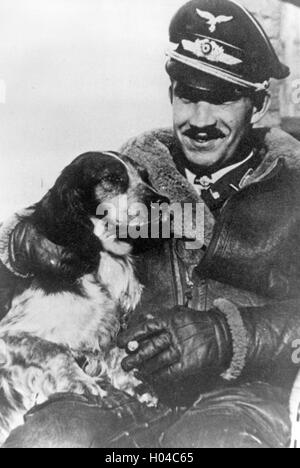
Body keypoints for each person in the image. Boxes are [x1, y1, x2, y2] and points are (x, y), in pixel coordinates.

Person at [1, 0, 300, 448]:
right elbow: (43, 232)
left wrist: (226, 335)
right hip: (117, 383)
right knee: (46, 440)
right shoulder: (131, 175)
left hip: (238, 396)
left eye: (221, 99)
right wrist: (29, 244)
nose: (199, 120)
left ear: (256, 105)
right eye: (186, 95)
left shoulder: (291, 188)